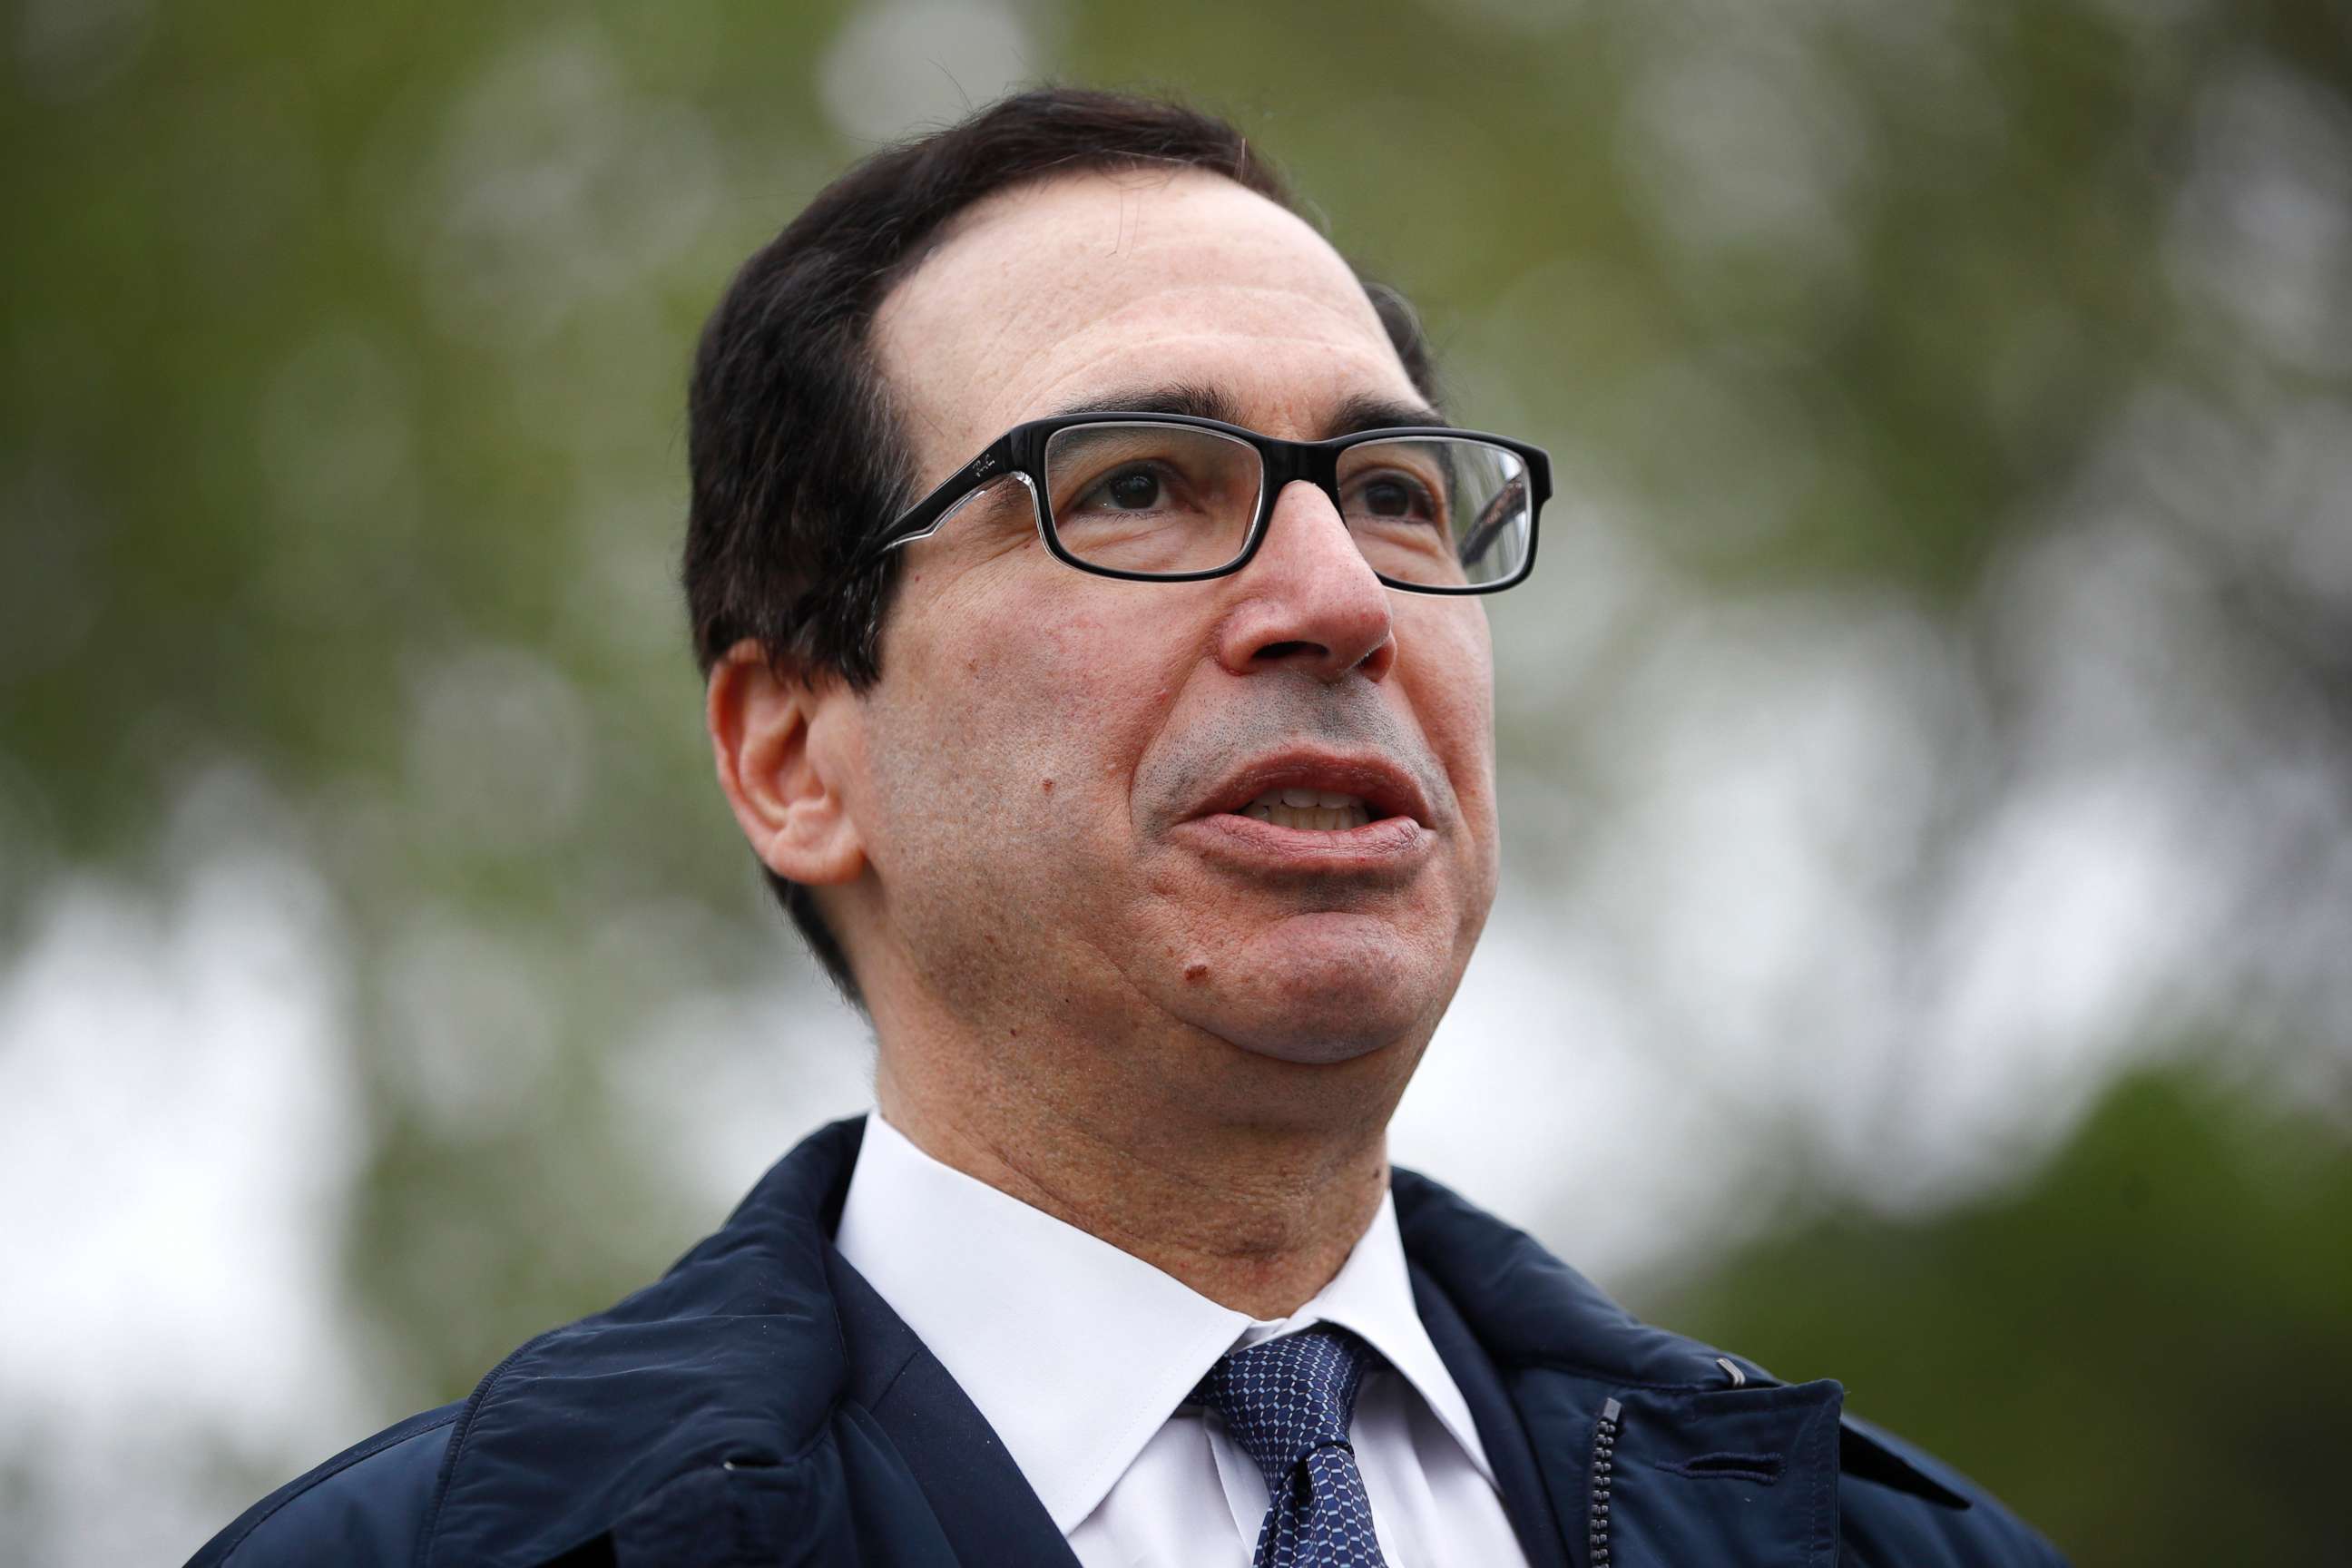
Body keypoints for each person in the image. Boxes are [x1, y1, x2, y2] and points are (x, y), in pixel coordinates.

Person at [191, 87, 2065, 1567]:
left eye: (1399, 491)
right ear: (791, 756)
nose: (1338, 598)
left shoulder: (1900, 1547)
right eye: (1145, 485)